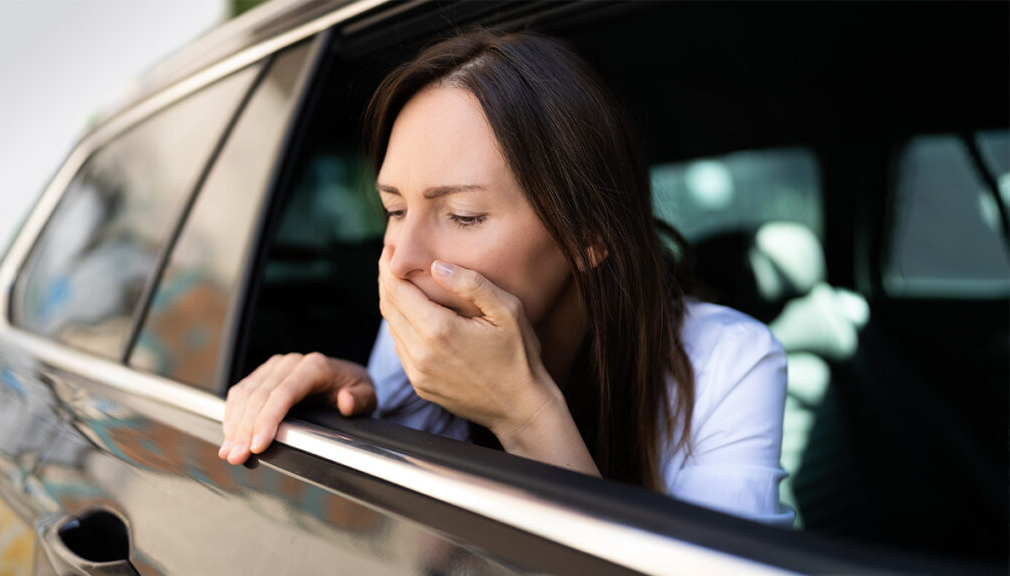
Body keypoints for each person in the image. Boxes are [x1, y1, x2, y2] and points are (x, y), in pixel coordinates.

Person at [218, 30, 794, 527]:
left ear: (587, 232)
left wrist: (525, 413)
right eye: (394, 210)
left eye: (463, 215)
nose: (399, 261)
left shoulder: (728, 364)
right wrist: (363, 407)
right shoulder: (425, 318)